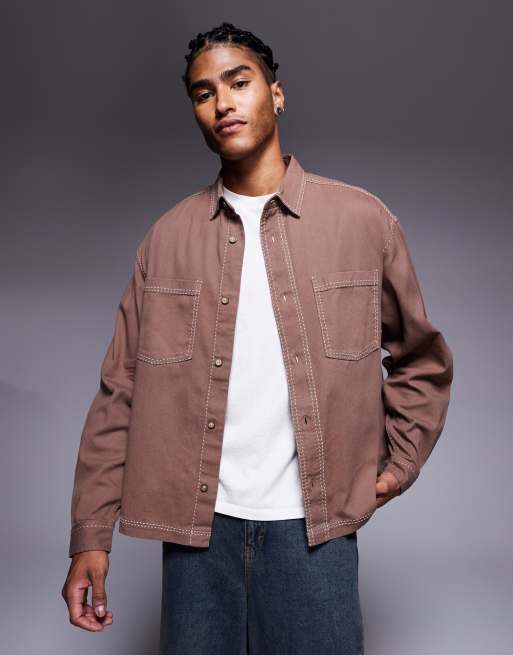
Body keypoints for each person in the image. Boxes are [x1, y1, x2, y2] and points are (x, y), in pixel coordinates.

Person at [61, 21, 454, 654]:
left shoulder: (362, 222)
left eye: (238, 82)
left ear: (276, 93)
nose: (222, 102)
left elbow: (421, 361)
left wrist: (397, 466)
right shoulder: (166, 238)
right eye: (203, 92)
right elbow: (119, 392)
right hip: (198, 538)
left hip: (314, 535)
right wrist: (90, 536)